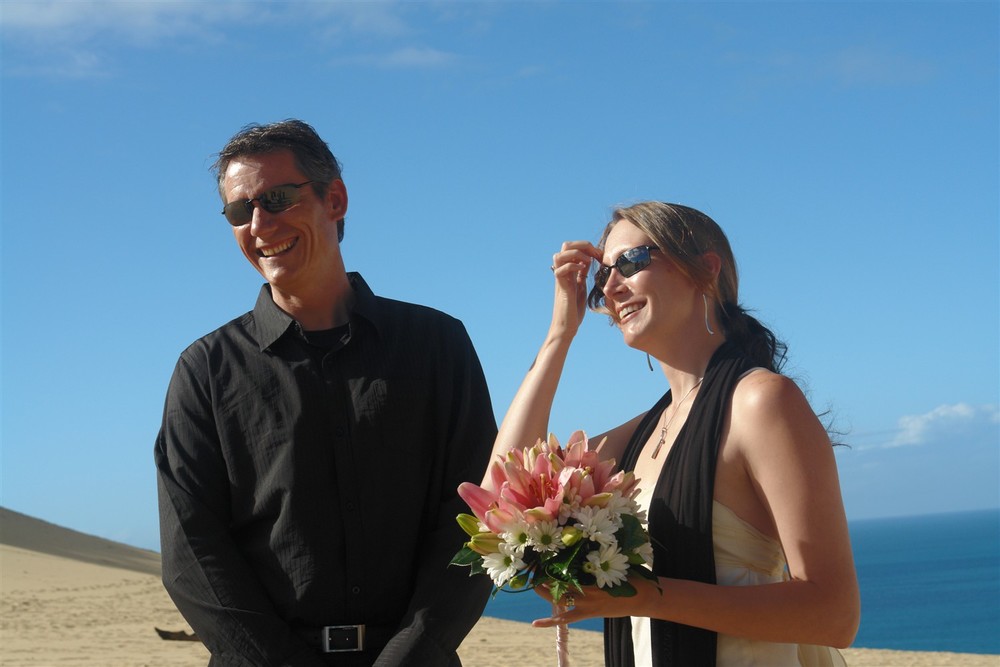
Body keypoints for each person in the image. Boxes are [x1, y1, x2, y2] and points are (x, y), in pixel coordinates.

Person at [154, 119, 497, 666]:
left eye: (278, 198)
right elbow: (191, 552)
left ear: (334, 199)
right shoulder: (206, 369)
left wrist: (410, 656)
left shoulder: (437, 346)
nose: (260, 223)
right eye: (240, 211)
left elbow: (475, 518)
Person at [490, 202, 860, 666]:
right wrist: (559, 334)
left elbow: (835, 615)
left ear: (705, 271)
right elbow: (502, 492)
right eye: (602, 278)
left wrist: (650, 598)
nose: (611, 286)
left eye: (631, 261)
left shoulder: (760, 403)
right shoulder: (645, 432)